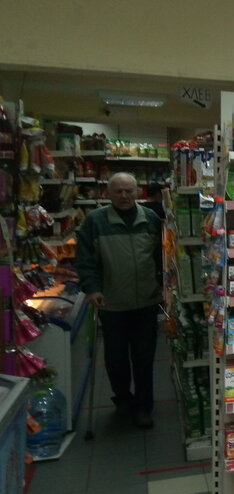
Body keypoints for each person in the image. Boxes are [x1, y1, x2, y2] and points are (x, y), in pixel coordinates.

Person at [74, 172, 162, 428]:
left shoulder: (151, 219)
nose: (124, 196)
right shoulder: (95, 221)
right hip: (111, 303)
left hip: (146, 301)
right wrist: (91, 288)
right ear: (108, 194)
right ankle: (122, 398)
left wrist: (164, 285)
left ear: (137, 192)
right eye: (118, 191)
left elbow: (161, 257)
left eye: (128, 191)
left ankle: (143, 407)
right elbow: (84, 260)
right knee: (116, 358)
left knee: (144, 359)